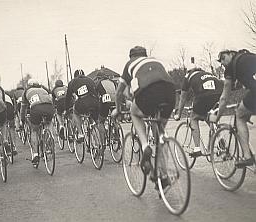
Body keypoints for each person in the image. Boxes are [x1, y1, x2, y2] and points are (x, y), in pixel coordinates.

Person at [112, 46, 176, 176]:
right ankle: (163, 175)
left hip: (149, 91)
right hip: (170, 91)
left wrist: (118, 110)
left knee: (134, 113)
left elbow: (119, 92)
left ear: (131, 57)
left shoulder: (130, 64)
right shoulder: (155, 61)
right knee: (160, 134)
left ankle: (145, 146)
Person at [212, 49, 256, 167]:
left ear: (232, 54)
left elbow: (224, 98)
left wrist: (217, 118)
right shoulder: (248, 56)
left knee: (240, 115)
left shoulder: (231, 67)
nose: (222, 62)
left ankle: (247, 157)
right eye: (220, 61)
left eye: (223, 58)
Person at [174, 68, 223, 157]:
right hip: (219, 95)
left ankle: (197, 148)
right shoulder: (207, 73)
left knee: (194, 117)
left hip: (204, 96)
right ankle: (220, 139)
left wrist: (179, 114)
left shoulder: (188, 76)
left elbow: (183, 98)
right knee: (210, 117)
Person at [20, 79, 55, 163]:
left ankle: (35, 154)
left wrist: (22, 120)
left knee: (34, 130)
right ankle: (50, 136)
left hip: (36, 108)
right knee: (49, 123)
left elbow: (23, 108)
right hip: (49, 107)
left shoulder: (26, 91)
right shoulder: (43, 89)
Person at [65, 69, 101, 145]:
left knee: (75, 112)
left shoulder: (72, 82)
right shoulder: (90, 80)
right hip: (94, 101)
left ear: (75, 76)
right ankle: (99, 136)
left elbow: (68, 97)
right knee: (95, 120)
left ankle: (80, 134)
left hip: (82, 102)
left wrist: (67, 109)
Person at [95, 71, 117, 144]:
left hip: (105, 102)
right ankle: (116, 134)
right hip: (115, 101)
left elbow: (96, 97)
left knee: (100, 121)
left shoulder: (98, 83)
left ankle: (103, 141)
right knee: (114, 119)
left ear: (98, 78)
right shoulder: (113, 82)